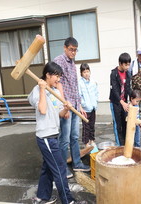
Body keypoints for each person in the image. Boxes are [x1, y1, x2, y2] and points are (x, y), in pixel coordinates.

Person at [28, 62, 86, 204]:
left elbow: (60, 114)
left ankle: (42, 196)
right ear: (48, 75)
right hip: (45, 136)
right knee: (60, 169)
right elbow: (42, 109)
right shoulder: (37, 90)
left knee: (47, 167)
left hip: (54, 135)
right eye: (56, 76)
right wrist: (42, 89)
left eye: (60, 77)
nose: (58, 80)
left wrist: (66, 109)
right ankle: (69, 201)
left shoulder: (56, 92)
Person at [54, 37, 90, 180]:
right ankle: (63, 168)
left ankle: (77, 163)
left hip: (74, 105)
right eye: (71, 49)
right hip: (66, 106)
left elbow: (75, 86)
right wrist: (65, 105)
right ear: (65, 48)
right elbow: (58, 84)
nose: (73, 52)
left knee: (74, 137)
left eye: (75, 50)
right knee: (64, 139)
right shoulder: (59, 61)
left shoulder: (73, 63)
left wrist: (79, 105)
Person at [109, 52, 131, 146]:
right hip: (115, 102)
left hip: (125, 102)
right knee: (118, 126)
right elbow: (114, 90)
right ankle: (119, 146)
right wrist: (122, 102)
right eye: (126, 64)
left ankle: (125, 145)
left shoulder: (128, 74)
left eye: (129, 64)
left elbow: (128, 89)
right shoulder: (114, 74)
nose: (127, 67)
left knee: (125, 123)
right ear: (120, 63)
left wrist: (133, 99)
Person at [78, 63, 99, 150]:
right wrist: (81, 106)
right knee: (86, 127)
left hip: (93, 107)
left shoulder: (93, 82)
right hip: (85, 109)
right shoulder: (79, 83)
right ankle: (86, 143)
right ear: (81, 73)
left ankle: (92, 140)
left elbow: (96, 93)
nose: (86, 73)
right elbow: (79, 96)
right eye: (84, 72)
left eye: (87, 71)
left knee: (92, 125)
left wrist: (96, 102)